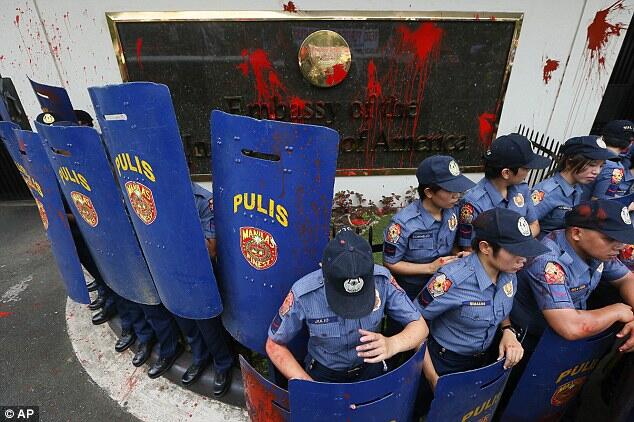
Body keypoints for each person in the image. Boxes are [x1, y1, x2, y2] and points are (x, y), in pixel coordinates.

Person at [265, 228, 428, 383]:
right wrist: (307, 385)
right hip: (324, 373)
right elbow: (274, 344)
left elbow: (420, 326)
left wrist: (393, 344)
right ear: (323, 269)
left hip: (370, 367)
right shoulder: (304, 294)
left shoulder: (382, 280)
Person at [417, 208, 549, 389]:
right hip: (446, 363)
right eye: (515, 250)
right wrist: (433, 378)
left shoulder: (509, 272)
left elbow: (499, 306)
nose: (523, 259)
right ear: (485, 247)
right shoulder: (451, 280)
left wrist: (508, 330)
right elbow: (414, 322)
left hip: (485, 358)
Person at [510, 200, 634, 353]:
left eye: (621, 239)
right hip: (530, 342)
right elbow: (570, 327)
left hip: (566, 333)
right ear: (576, 233)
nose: (619, 246)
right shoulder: (548, 264)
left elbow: (627, 279)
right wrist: (617, 311)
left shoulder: (596, 250)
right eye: (610, 238)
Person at [382, 155, 475, 300]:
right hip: (410, 290)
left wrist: (458, 256)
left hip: (445, 283)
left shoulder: (453, 211)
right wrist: (430, 267)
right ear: (429, 192)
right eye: (450, 190)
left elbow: (454, 243)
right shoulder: (403, 224)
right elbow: (390, 262)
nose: (456, 195)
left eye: (458, 189)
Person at [171, 183, 233, 396]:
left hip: (198, 271)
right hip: (170, 267)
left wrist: (182, 221)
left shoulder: (203, 200)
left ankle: (223, 364)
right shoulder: (160, 194)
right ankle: (199, 357)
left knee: (207, 325)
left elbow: (211, 250)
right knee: (184, 319)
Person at [458, 133, 551, 250]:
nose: (528, 172)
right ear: (506, 173)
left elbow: (534, 225)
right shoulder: (473, 203)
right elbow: (468, 248)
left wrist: (513, 246)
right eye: (526, 168)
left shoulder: (521, 189)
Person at [531, 136, 615, 237]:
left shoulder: (577, 189)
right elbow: (522, 228)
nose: (596, 172)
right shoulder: (547, 192)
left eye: (601, 166)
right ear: (570, 161)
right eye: (592, 164)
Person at [588, 120, 634, 199]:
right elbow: (601, 202)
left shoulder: (587, 152)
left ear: (603, 137)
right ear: (630, 144)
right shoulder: (617, 170)